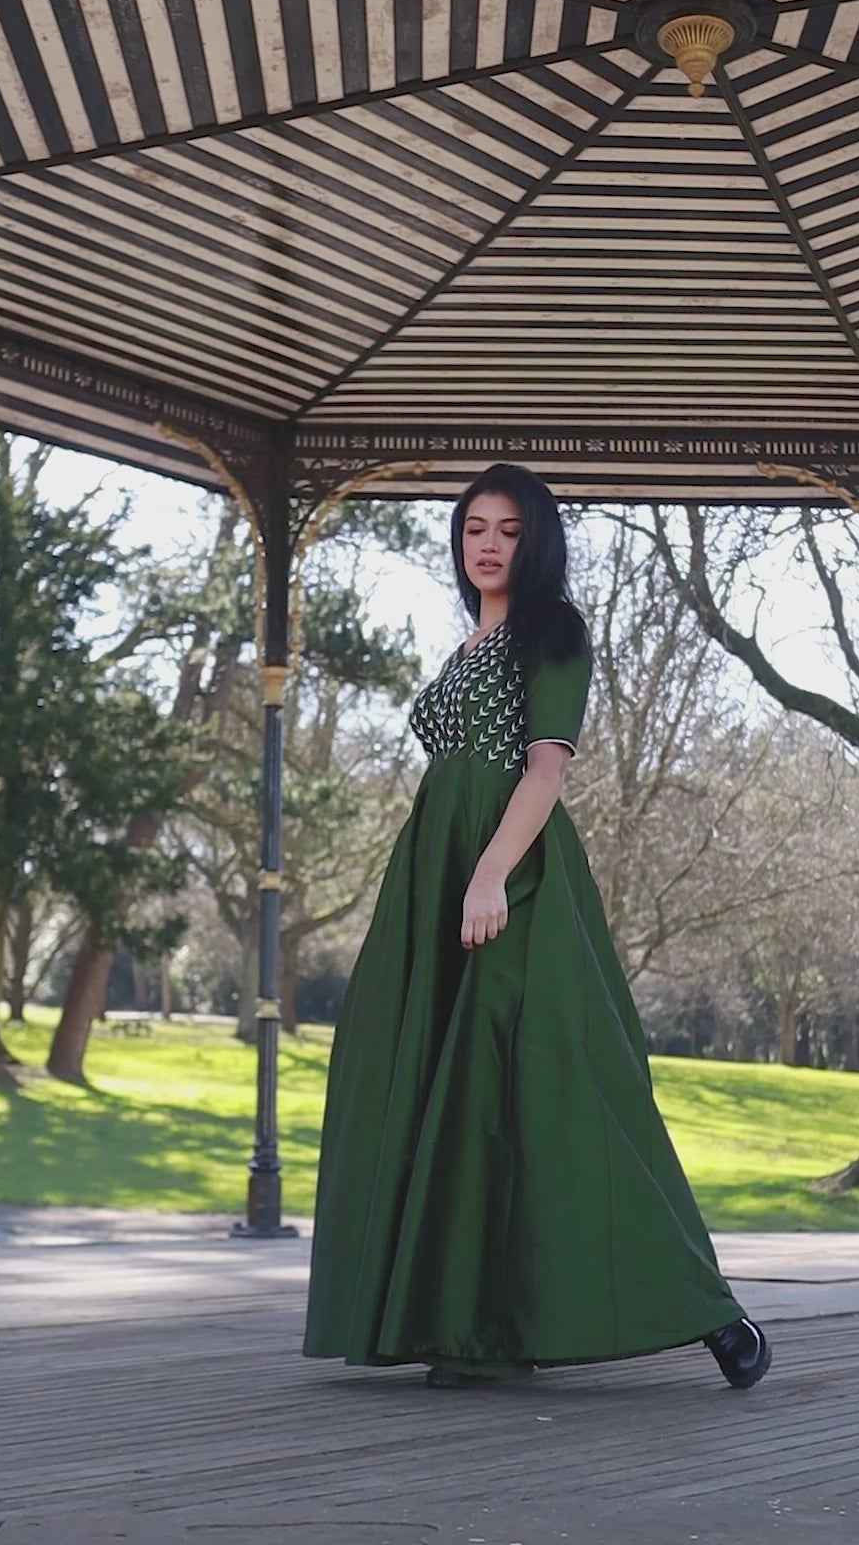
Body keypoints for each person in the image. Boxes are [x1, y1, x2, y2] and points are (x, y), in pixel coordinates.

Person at [303, 463, 771, 1392]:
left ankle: (708, 1314)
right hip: (433, 881)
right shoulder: (469, 643)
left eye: (508, 529)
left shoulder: (552, 633)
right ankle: (460, 1324)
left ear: (537, 539)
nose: (487, 542)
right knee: (450, 1095)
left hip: (513, 886)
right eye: (474, 525)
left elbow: (546, 774)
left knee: (559, 1097)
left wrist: (487, 877)